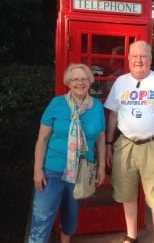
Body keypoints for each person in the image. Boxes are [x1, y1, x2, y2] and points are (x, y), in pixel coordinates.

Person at [104, 41, 154, 243]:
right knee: (127, 194)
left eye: (144, 56)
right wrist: (109, 144)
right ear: (128, 59)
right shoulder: (120, 82)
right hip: (125, 144)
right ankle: (132, 235)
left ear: (150, 60)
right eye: (135, 56)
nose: (139, 60)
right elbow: (112, 116)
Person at [28, 63, 106, 243]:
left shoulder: (97, 107)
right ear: (68, 83)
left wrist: (101, 167)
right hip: (52, 170)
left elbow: (101, 139)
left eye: (84, 79)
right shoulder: (56, 104)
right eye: (75, 79)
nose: (80, 82)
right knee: (42, 215)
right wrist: (37, 169)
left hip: (81, 171)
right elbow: (42, 139)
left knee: (71, 216)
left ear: (90, 81)